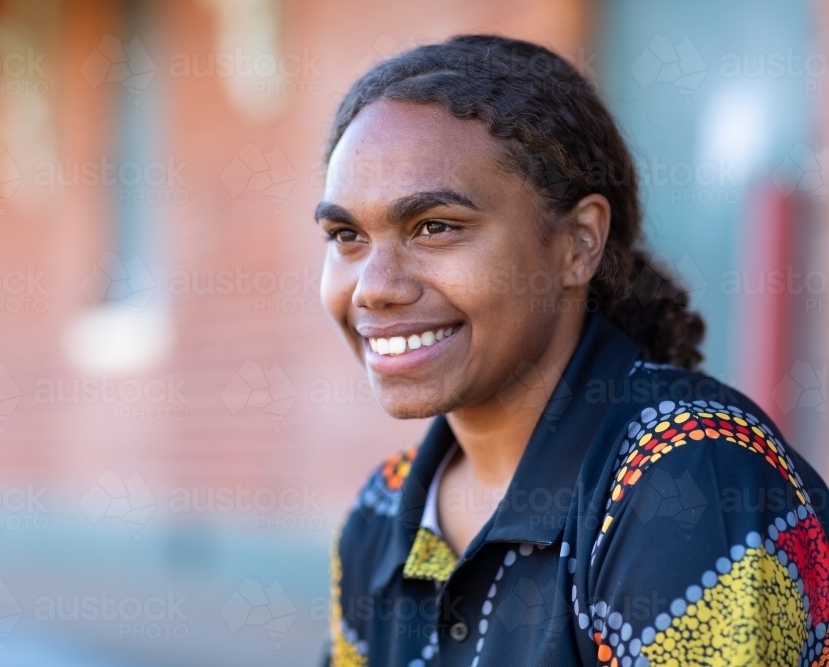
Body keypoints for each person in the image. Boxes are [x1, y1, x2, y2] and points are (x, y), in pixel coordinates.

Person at [315, 34, 829, 667]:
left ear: (579, 243)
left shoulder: (689, 481)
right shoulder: (382, 512)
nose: (374, 288)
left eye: (436, 226)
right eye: (346, 235)